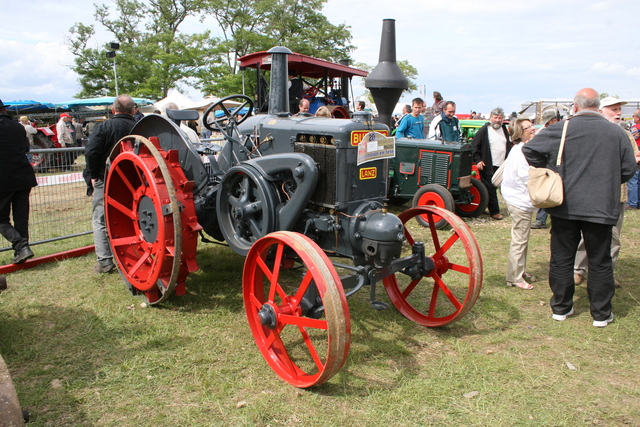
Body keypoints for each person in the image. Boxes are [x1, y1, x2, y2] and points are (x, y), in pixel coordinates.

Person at [522, 88, 637, 327]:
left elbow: (530, 149)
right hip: (601, 206)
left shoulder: (562, 128)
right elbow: (629, 168)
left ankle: (561, 308)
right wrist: (608, 182)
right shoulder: (616, 132)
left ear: (575, 107)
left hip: (566, 206)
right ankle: (601, 314)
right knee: (600, 260)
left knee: (562, 258)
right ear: (597, 107)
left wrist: (553, 171)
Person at [573, 97, 639, 288]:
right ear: (600, 111)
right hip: (591, 193)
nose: (618, 113)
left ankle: (605, 274)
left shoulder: (625, 134)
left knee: (614, 237)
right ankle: (578, 270)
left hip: (617, 193)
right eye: (613, 109)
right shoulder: (589, 132)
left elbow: (633, 160)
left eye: (619, 109)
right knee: (587, 234)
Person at [85, 94, 137, 273]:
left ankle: (105, 262)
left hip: (107, 179)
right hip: (137, 181)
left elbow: (91, 152)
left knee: (100, 219)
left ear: (113, 110)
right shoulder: (140, 127)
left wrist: (94, 175)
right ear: (133, 110)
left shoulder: (104, 127)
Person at [502, 117, 537, 289]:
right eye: (528, 127)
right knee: (519, 240)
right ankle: (514, 278)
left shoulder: (519, 149)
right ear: (519, 133)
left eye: (532, 125)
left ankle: (519, 271)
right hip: (519, 201)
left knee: (523, 238)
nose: (533, 128)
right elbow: (526, 177)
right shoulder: (521, 151)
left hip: (518, 200)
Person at [0, 100, 37, 264]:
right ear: (4, 110)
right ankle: (22, 250)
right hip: (23, 175)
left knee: (1, 219)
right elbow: (26, 148)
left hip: (3, 178)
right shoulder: (17, 126)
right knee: (21, 217)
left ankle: (21, 246)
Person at [472, 107, 512, 220]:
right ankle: (494, 212)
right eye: (495, 118)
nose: (497, 120)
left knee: (503, 187)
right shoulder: (485, 130)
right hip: (488, 164)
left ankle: (483, 207)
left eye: (500, 118)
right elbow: (475, 146)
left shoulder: (504, 130)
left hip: (502, 164)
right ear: (491, 118)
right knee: (490, 188)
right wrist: (478, 160)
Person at [531, 109, 560, 229]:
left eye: (548, 123)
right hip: (549, 168)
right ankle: (541, 220)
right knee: (546, 194)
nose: (546, 125)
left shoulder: (564, 132)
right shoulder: (545, 132)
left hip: (561, 168)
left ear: (555, 120)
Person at [627, 109, 640, 209]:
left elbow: (627, 137)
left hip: (636, 154)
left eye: (634, 116)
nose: (633, 118)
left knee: (633, 179)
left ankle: (632, 203)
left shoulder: (636, 128)